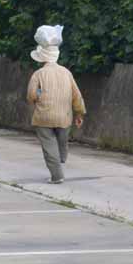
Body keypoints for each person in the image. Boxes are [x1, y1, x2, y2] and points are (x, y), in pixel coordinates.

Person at [27, 25, 86, 184]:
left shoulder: (38, 74)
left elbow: (31, 95)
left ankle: (57, 175)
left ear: (41, 58)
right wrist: (79, 113)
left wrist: (38, 96)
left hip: (43, 116)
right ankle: (62, 157)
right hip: (64, 116)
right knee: (62, 139)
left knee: (49, 146)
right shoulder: (67, 73)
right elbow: (76, 95)